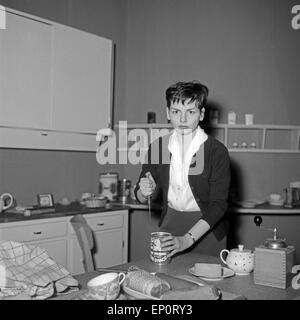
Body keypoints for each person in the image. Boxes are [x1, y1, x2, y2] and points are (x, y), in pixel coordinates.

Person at [134, 80, 231, 258]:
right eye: (176, 112)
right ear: (168, 113)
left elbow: (218, 205)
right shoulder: (158, 147)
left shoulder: (217, 151)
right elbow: (140, 195)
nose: (183, 119)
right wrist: (143, 191)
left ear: (201, 114)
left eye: (191, 112)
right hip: (170, 225)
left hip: (208, 228)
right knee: (166, 281)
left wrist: (186, 240)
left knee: (207, 284)